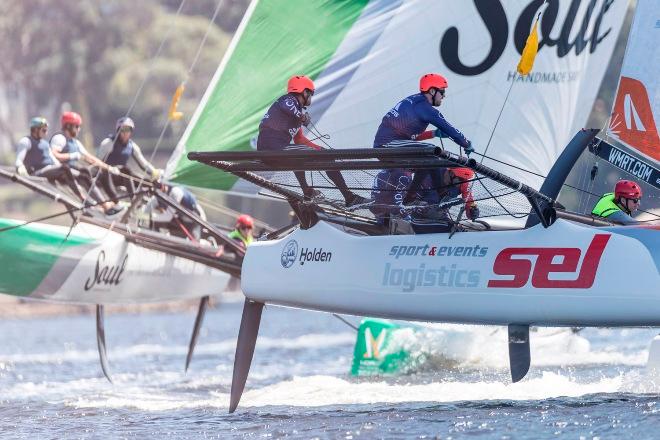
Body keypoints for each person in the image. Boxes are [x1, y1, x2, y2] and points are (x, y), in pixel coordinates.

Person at [257, 75, 367, 206]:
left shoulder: (294, 112)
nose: (311, 97)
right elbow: (285, 105)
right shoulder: (288, 100)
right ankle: (349, 198)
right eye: (311, 93)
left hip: (277, 151)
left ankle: (308, 191)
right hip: (272, 148)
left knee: (314, 156)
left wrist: (322, 150)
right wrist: (302, 117)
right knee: (302, 156)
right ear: (304, 92)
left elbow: (300, 140)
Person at [374, 74, 475, 203]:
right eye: (442, 92)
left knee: (426, 162)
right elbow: (448, 128)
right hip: (387, 146)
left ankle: (409, 198)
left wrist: (433, 134)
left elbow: (408, 137)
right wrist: (466, 143)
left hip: (392, 145)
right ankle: (442, 193)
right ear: (432, 91)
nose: (444, 96)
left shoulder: (415, 101)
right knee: (431, 151)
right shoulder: (425, 108)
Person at [49, 111, 124, 215]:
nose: (79, 129)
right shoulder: (60, 138)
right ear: (69, 126)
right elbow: (53, 155)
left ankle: (115, 201)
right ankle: (106, 206)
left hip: (74, 170)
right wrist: (72, 155)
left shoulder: (76, 142)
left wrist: (108, 168)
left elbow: (89, 158)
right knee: (84, 174)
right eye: (77, 126)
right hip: (64, 174)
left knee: (103, 172)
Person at [371, 167, 478, 233]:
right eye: (459, 178)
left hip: (439, 217)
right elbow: (409, 200)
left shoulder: (463, 184)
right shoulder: (429, 175)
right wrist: (422, 207)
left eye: (464, 180)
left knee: (449, 224)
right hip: (419, 216)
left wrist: (473, 210)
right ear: (450, 172)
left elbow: (470, 203)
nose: (460, 182)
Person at [14, 117, 88, 199]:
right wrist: (21, 169)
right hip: (38, 173)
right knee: (64, 169)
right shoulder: (26, 141)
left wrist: (70, 171)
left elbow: (54, 160)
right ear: (35, 130)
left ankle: (90, 202)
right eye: (44, 130)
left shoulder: (45, 143)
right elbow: (18, 161)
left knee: (82, 174)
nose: (46, 133)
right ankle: (82, 197)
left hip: (50, 170)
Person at [97, 117, 162, 203]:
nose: (125, 133)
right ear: (118, 130)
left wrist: (155, 172)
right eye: (122, 129)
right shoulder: (108, 143)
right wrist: (109, 168)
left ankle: (154, 204)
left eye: (128, 130)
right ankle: (134, 201)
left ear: (131, 131)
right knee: (126, 171)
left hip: (123, 176)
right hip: (108, 177)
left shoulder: (132, 146)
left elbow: (144, 165)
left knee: (149, 182)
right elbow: (97, 162)